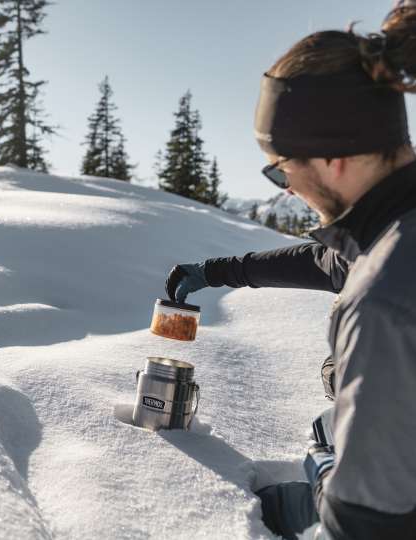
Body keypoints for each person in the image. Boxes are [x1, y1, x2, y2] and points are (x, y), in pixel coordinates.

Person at [165, 4, 416, 539]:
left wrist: (324, 475)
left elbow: (366, 530)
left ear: (334, 160)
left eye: (281, 170)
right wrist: (217, 271)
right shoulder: (396, 227)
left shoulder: (383, 302)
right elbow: (335, 259)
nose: (286, 189)